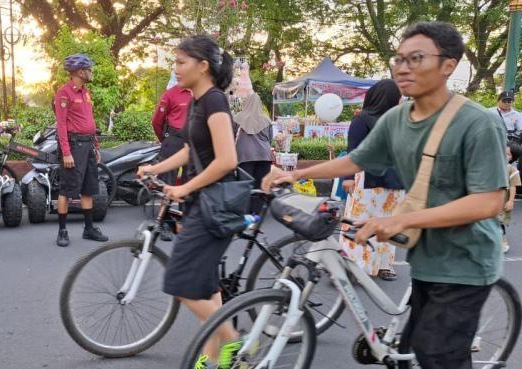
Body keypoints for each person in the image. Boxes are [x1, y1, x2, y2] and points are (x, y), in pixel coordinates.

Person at [263, 22, 506, 369]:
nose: (403, 67)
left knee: (439, 357)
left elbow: (489, 201)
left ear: (448, 65)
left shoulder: (478, 122)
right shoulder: (396, 119)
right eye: (399, 58)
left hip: (466, 262)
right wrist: (295, 173)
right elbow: (356, 159)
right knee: (409, 353)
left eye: (416, 58)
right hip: (425, 258)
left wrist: (399, 219)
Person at [137, 35, 239, 369]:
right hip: (201, 201)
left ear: (203, 65)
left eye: (181, 62)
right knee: (207, 287)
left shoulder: (214, 102)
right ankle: (210, 359)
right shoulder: (197, 100)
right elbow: (188, 150)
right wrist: (157, 167)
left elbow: (227, 160)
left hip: (214, 204)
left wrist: (184, 188)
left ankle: (233, 342)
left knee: (180, 283)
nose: (175, 68)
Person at [339, 79, 405, 281]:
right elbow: (353, 150)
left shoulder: (400, 121)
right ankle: (354, 266)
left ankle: (384, 264)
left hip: (394, 183)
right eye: (398, 96)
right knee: (359, 222)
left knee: (387, 224)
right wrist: (348, 177)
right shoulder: (362, 120)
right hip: (367, 182)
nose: (401, 100)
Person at [53, 53, 109, 247]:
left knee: (88, 188)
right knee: (67, 190)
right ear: (79, 71)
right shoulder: (64, 93)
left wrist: (96, 146)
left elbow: (90, 122)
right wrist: (66, 152)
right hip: (74, 146)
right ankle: (62, 231)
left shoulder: (85, 92)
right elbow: (61, 124)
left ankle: (89, 229)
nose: (91, 72)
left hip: (88, 145)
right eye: (89, 69)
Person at [231, 62, 272, 210]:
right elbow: (270, 139)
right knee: (260, 186)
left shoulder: (239, 117)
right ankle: (257, 213)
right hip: (264, 156)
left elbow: (231, 135)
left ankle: (245, 213)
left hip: (245, 156)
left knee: (246, 186)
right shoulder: (266, 119)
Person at [151, 71, 192, 185]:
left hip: (193, 141)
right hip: (173, 138)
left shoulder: (198, 93)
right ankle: (165, 202)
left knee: (190, 181)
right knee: (166, 181)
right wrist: (164, 139)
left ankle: (186, 202)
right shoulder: (170, 94)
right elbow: (156, 121)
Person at [500, 143, 520, 253]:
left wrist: (511, 201)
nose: (504, 155)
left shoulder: (511, 170)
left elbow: (513, 186)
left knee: (499, 223)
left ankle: (503, 243)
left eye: (508, 154)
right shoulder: (495, 166)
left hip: (503, 201)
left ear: (513, 158)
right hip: (492, 200)